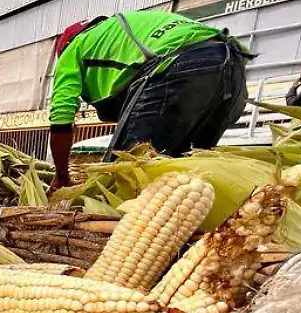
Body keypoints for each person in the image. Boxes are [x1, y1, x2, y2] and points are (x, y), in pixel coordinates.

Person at [48, 10, 251, 189]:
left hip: (179, 64)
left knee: (122, 179)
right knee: (185, 174)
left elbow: (61, 119)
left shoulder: (73, 49)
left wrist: (62, 177)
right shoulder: (126, 27)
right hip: (233, 65)